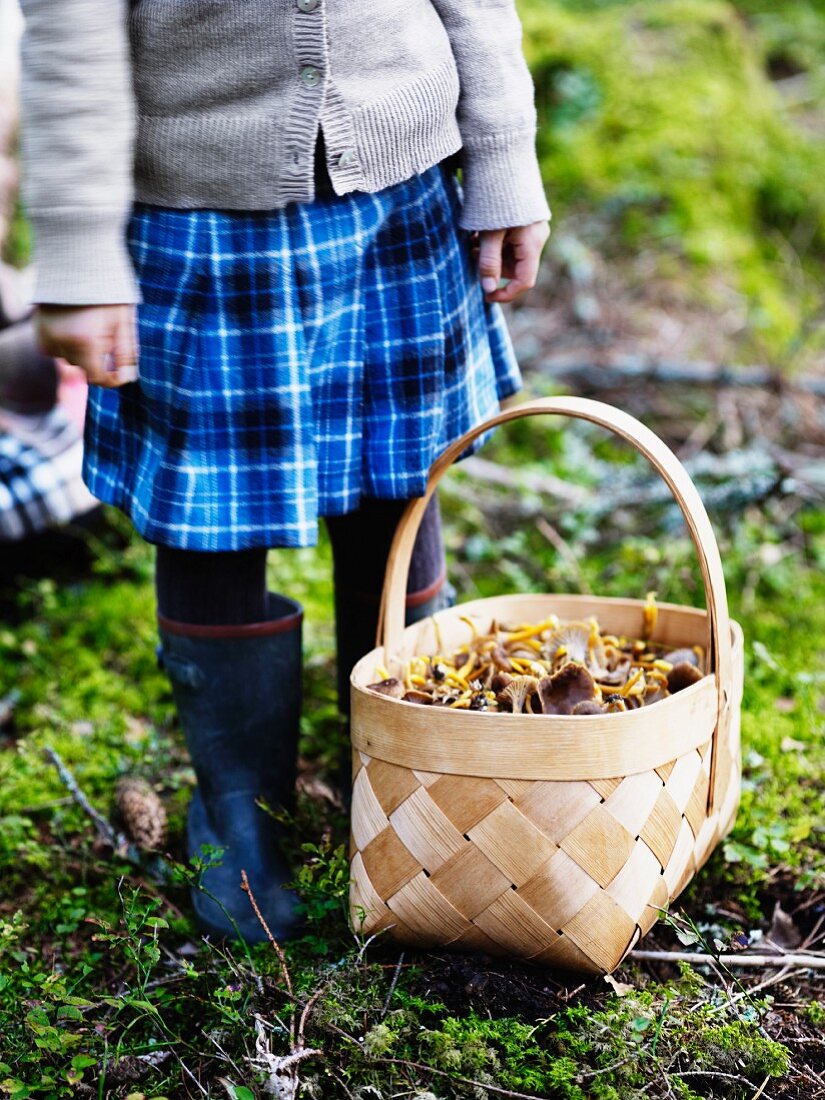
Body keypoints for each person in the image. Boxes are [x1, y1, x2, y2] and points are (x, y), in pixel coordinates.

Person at [18, 0, 551, 943]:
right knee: (211, 517)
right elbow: (72, 34)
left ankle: (399, 772)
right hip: (198, 218)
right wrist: (75, 246)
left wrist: (503, 154)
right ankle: (237, 814)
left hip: (402, 193)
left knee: (400, 484)